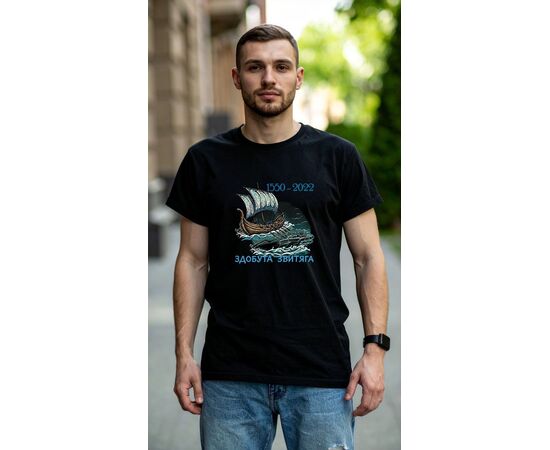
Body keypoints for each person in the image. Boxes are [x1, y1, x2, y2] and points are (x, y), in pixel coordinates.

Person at [165, 24, 390, 450]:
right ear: (237, 77)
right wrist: (184, 354)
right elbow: (192, 260)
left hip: (322, 373)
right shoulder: (204, 161)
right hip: (230, 374)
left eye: (281, 67)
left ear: (298, 77)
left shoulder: (338, 157)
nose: (269, 78)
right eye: (255, 67)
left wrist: (375, 350)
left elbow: (369, 258)